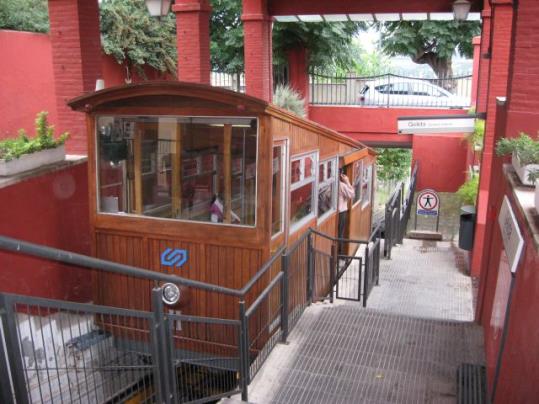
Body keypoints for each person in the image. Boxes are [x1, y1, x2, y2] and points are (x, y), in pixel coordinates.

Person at [338, 171, 355, 253]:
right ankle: (340, 253)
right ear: (341, 175)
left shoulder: (331, 184)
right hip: (341, 212)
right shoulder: (342, 185)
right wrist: (347, 182)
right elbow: (352, 194)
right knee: (340, 233)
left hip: (335, 212)